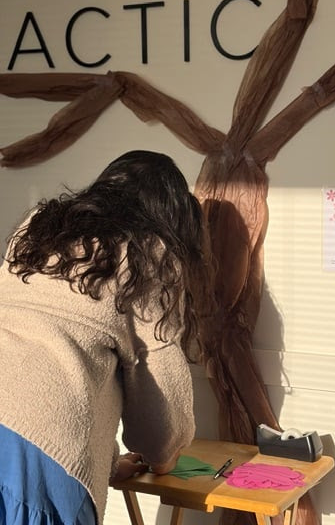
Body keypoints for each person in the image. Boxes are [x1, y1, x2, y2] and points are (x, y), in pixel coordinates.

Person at [0, 150, 213, 525]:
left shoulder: (37, 228)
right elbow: (160, 418)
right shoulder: (151, 254)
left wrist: (107, 459)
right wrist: (164, 457)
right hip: (39, 464)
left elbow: (41, 359)